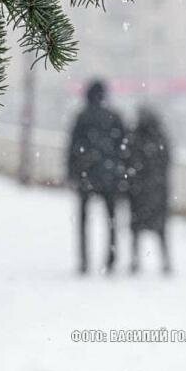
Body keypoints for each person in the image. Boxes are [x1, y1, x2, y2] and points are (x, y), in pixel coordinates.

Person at [66, 79, 127, 275]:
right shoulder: (115, 117)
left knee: (84, 221)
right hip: (110, 177)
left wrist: (72, 174)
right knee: (111, 221)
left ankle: (84, 261)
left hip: (87, 176)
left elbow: (72, 148)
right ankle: (111, 260)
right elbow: (123, 149)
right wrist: (121, 173)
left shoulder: (82, 117)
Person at [126, 107, 172, 275]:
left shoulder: (134, 138)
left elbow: (129, 162)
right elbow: (166, 163)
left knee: (136, 230)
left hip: (139, 193)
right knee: (161, 231)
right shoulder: (160, 139)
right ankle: (166, 261)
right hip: (157, 192)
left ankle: (135, 261)